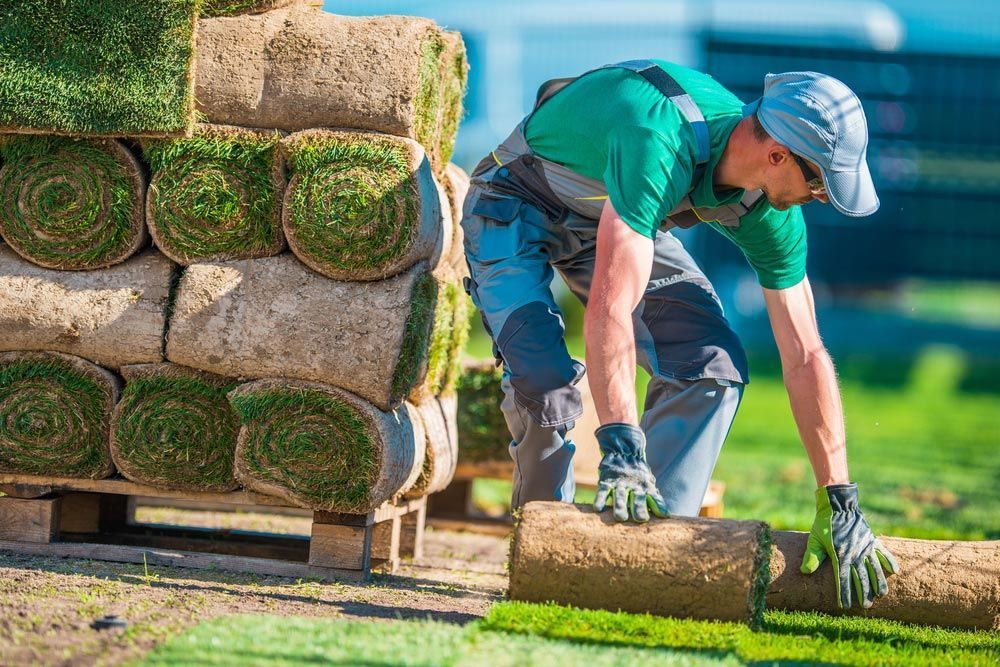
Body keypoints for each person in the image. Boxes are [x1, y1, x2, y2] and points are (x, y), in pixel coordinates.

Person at [459, 60, 898, 609]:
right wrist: (619, 441)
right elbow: (611, 307)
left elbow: (806, 352)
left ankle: (638, 562)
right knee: (546, 386)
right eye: (818, 181)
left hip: (616, 217)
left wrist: (840, 498)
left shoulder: (770, 211)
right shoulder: (658, 138)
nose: (819, 196)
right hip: (514, 203)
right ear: (777, 153)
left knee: (711, 366)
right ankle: (548, 563)